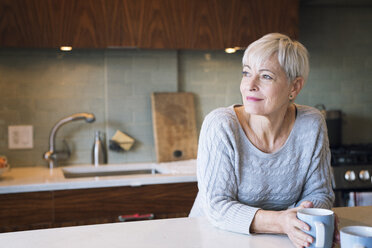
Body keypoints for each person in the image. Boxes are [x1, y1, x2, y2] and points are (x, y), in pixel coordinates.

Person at [189, 33, 338, 248]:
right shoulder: (221, 125)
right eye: (246, 73)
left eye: (266, 76)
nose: (250, 85)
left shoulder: (312, 123)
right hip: (212, 239)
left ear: (294, 87)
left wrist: (309, 219)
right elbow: (216, 206)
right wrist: (281, 221)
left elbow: (320, 193)